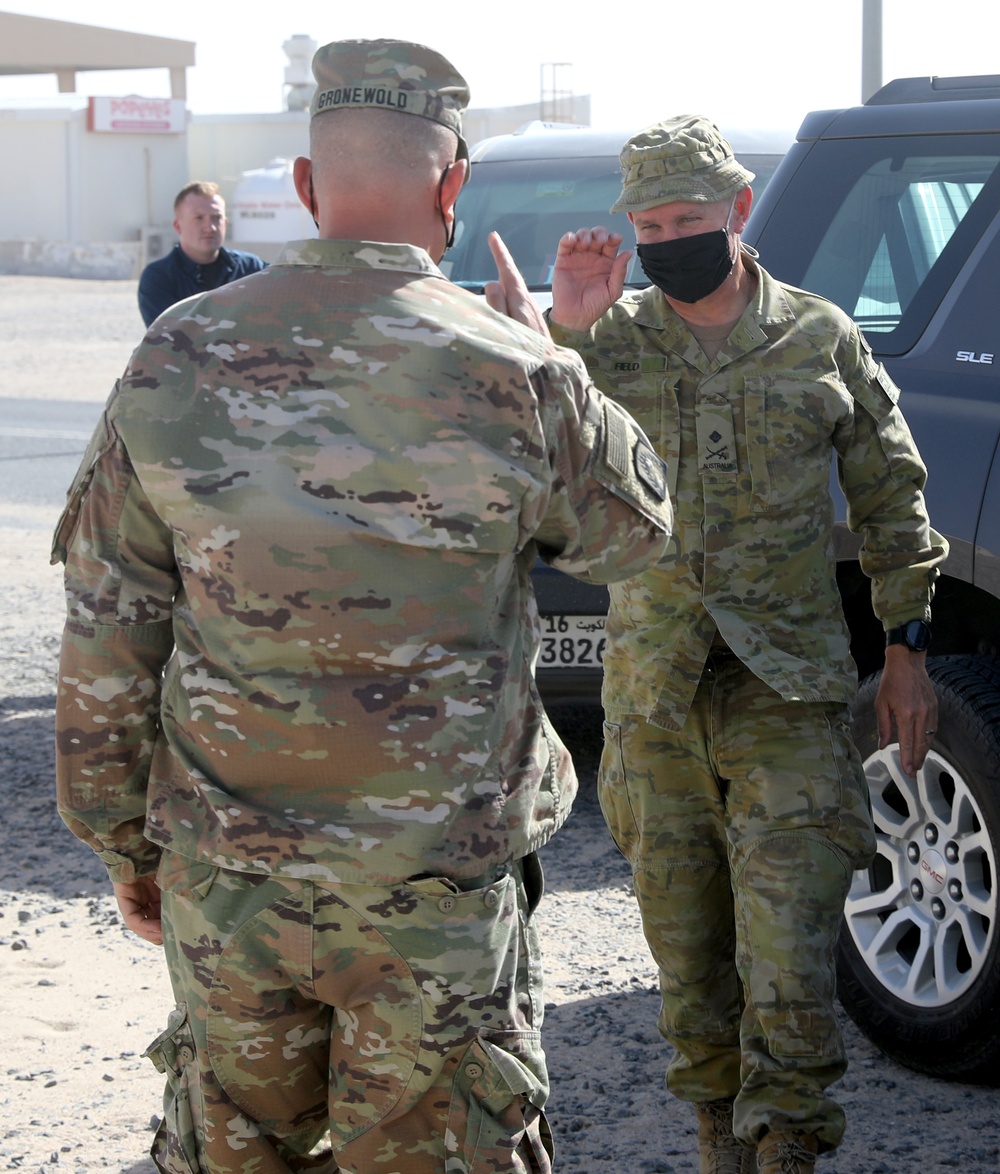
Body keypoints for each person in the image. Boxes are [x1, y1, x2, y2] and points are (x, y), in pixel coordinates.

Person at [52, 39, 674, 1174]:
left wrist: (122, 846)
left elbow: (108, 628)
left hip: (229, 879)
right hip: (433, 888)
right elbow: (633, 531)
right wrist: (559, 352)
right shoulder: (513, 369)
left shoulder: (175, 355)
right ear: (453, 188)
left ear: (302, 186)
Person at [493, 115, 948, 1174]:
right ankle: (716, 1148)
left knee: (789, 967)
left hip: (784, 690)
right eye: (647, 223)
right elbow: (530, 476)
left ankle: (786, 1149)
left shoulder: (819, 335)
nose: (665, 238)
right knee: (690, 971)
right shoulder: (606, 342)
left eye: (686, 219)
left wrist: (906, 648)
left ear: (738, 213)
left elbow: (891, 491)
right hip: (653, 699)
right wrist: (565, 333)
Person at [137, 181, 266, 326]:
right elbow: (166, 337)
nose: (210, 227)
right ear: (178, 226)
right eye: (199, 218)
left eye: (216, 218)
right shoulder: (160, 277)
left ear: (226, 223)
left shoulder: (251, 269)